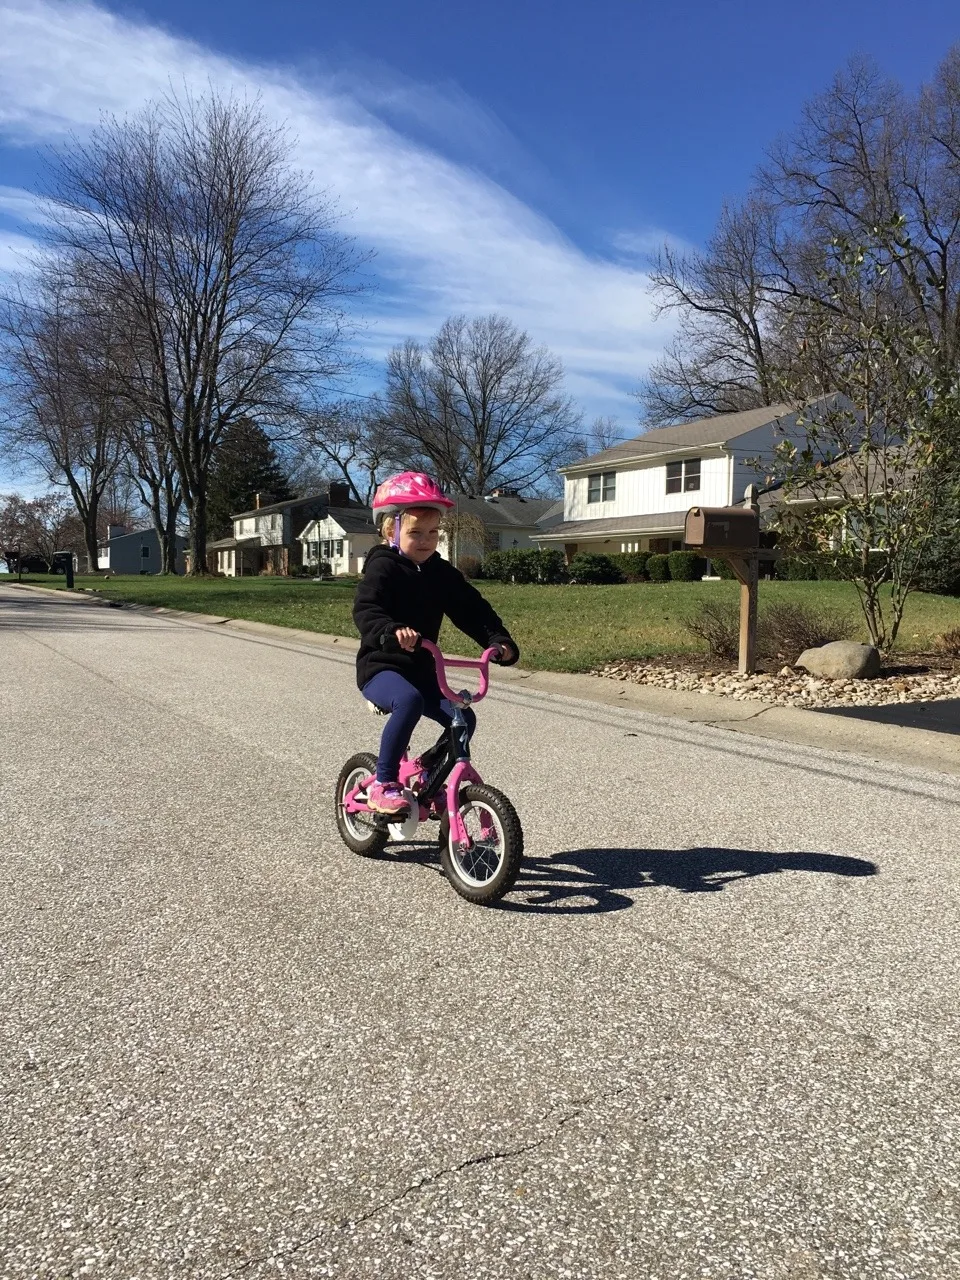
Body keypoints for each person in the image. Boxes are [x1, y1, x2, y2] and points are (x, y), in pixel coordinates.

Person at [353, 472, 519, 815]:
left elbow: (472, 609)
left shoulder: (440, 573)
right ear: (391, 531)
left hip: (424, 670)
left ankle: (429, 773)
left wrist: (497, 639)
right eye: (415, 532)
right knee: (409, 701)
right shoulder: (382, 568)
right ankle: (384, 782)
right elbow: (367, 609)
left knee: (463, 718)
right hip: (382, 667)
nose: (427, 540)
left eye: (433, 533)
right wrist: (391, 630)